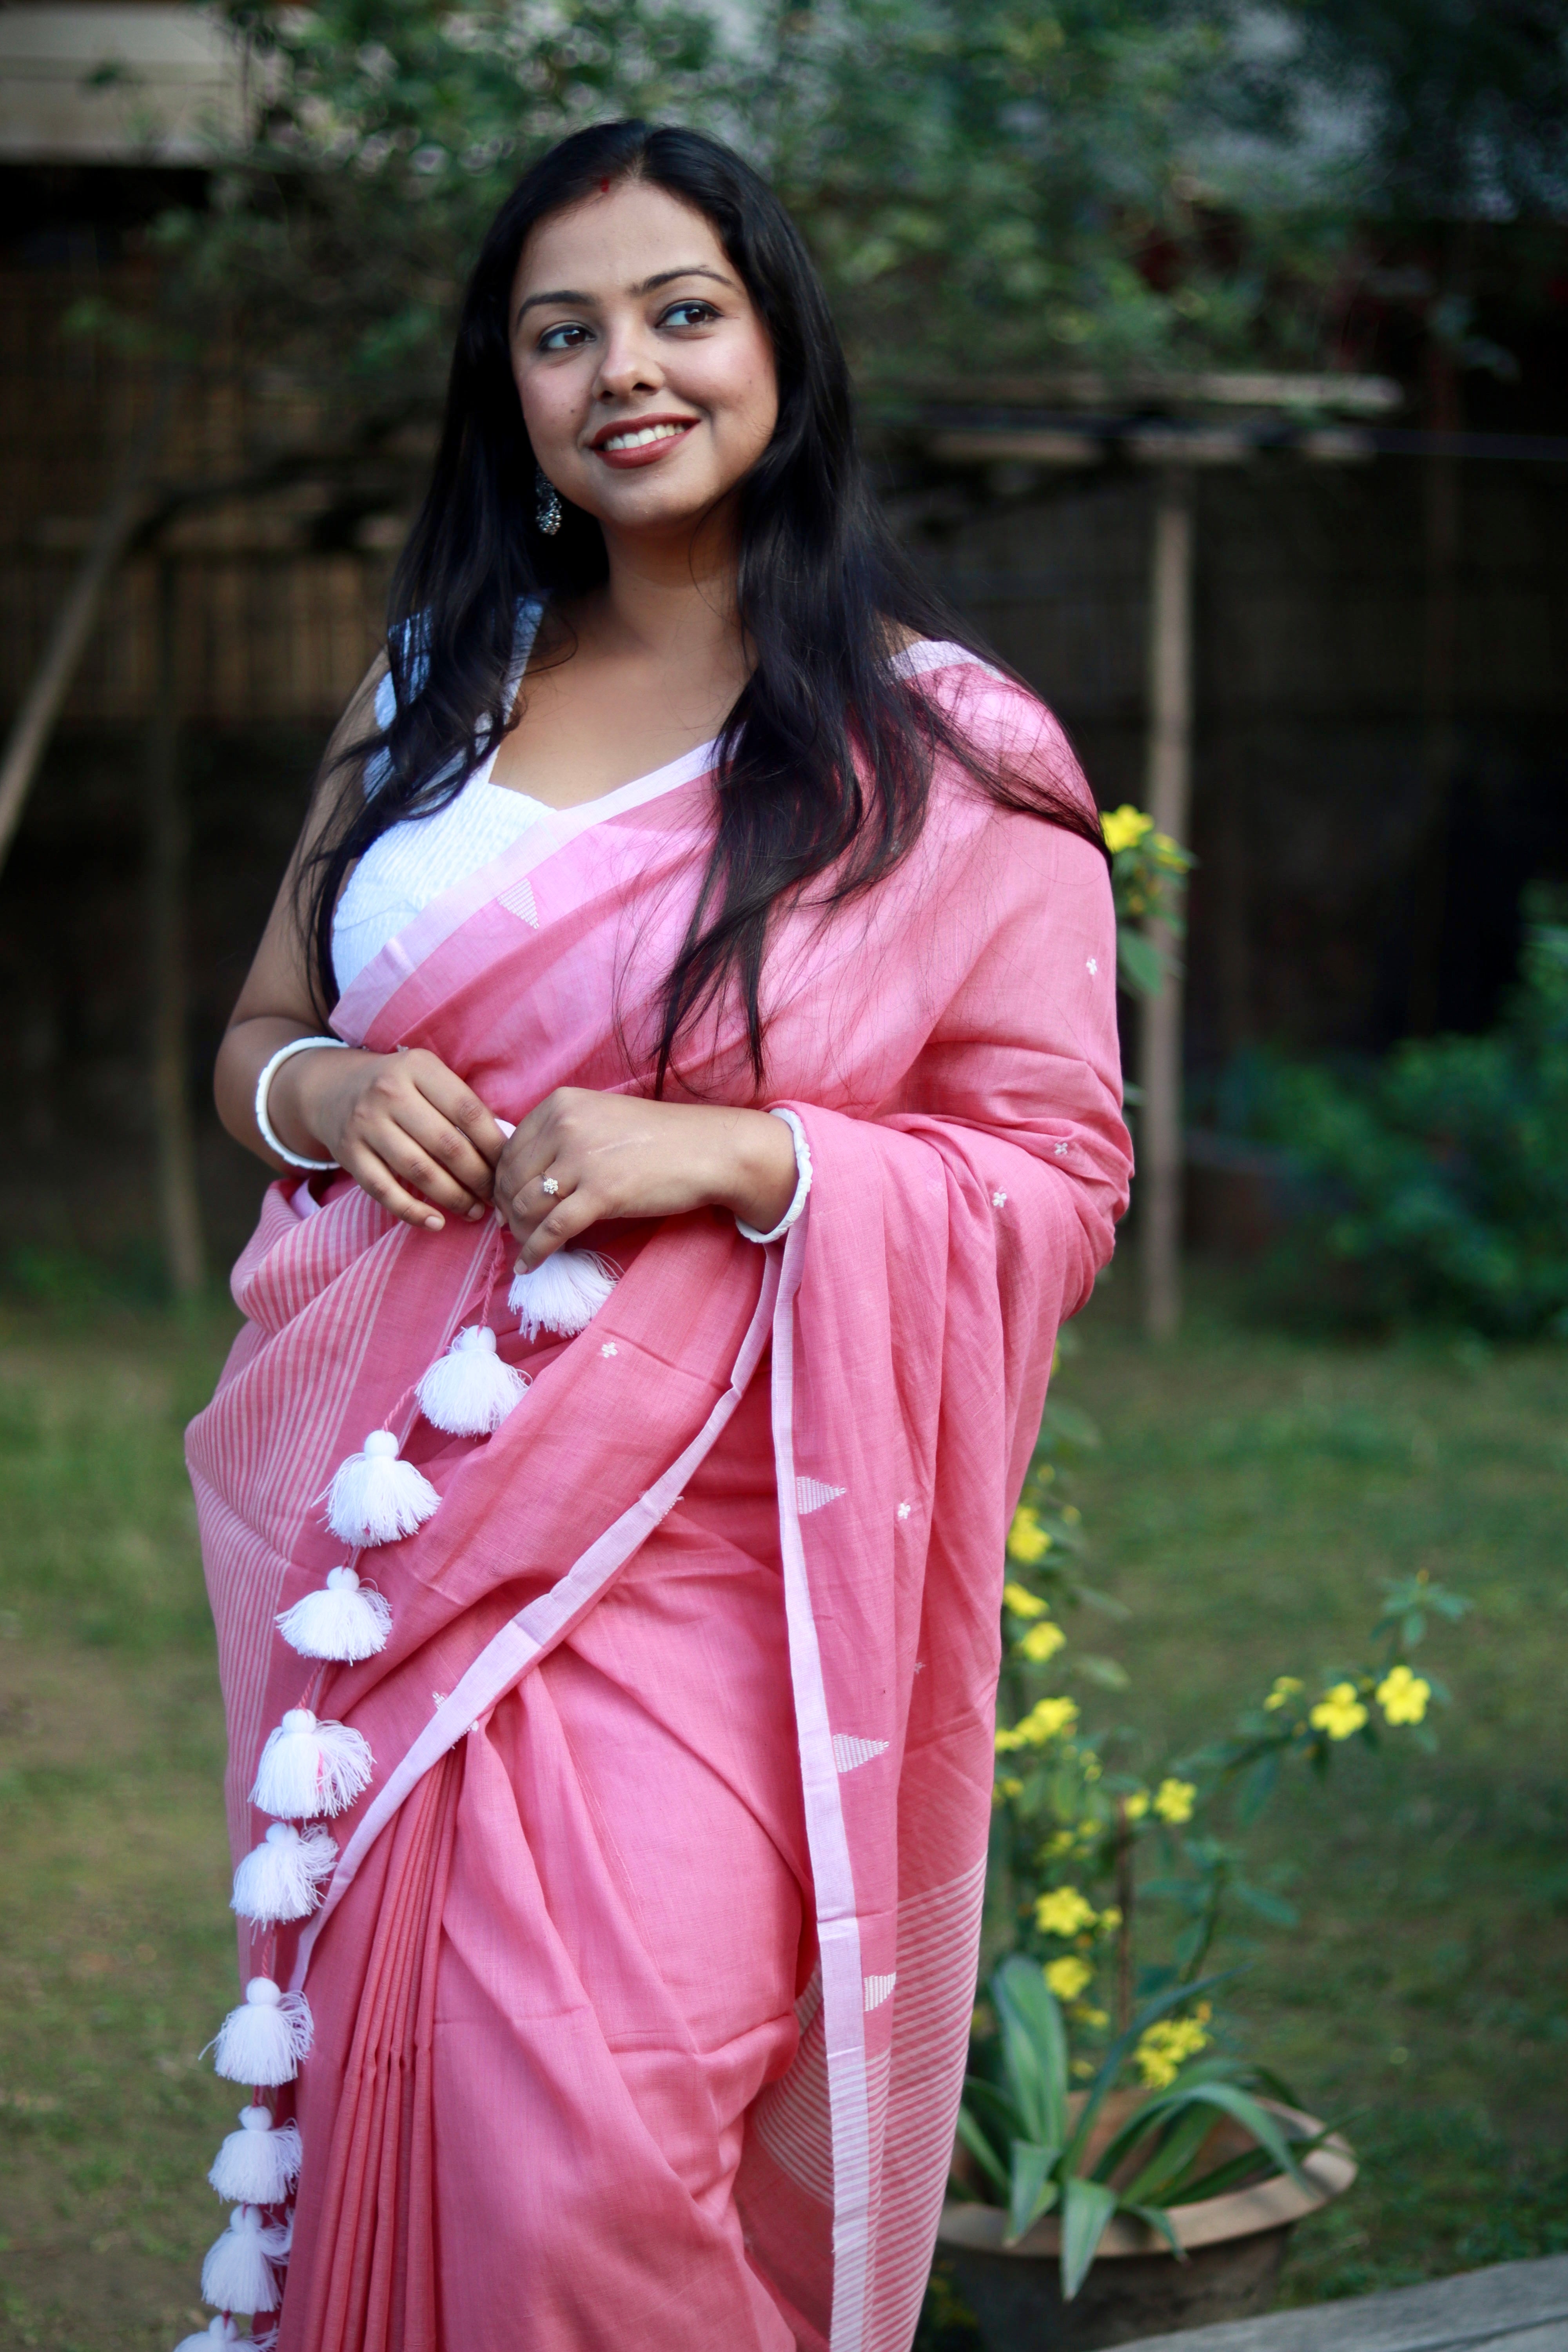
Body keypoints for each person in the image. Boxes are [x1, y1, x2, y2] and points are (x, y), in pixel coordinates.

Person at [181, 118, 1131, 2352]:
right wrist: (319, 1090)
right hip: (385, 1537)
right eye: (560, 330)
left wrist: (739, 1155)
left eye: (681, 309)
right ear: (503, 390)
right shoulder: (427, 691)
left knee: (587, 2149)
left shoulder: (941, 749)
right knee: (399, 2096)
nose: (628, 366)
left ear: (780, 341)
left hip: (710, 1551)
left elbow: (1057, 1176)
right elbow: (255, 1035)